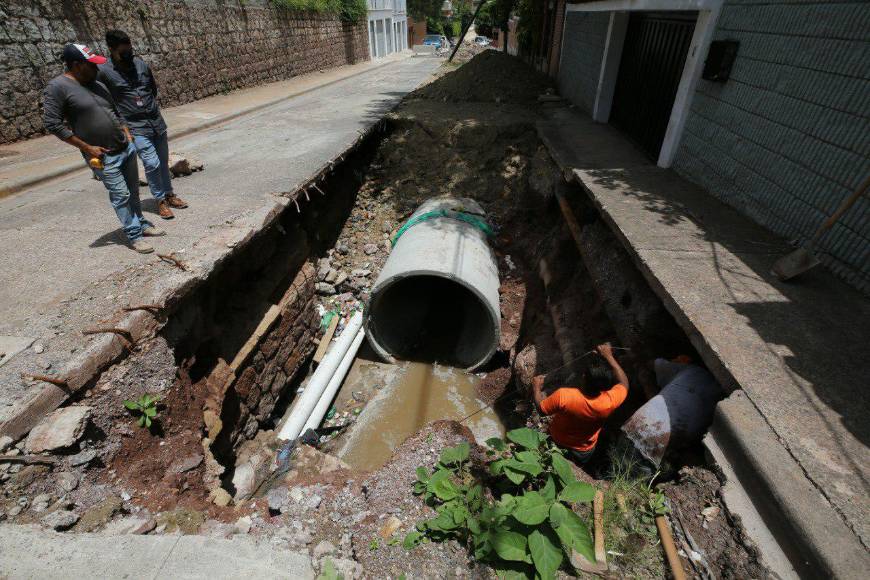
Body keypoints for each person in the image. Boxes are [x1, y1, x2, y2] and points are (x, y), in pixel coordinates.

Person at [43, 43, 163, 254]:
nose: (96, 69)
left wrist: (127, 134)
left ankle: (142, 224)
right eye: (91, 65)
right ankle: (134, 235)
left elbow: (115, 110)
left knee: (133, 192)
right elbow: (53, 123)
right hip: (102, 155)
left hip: (125, 148)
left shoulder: (96, 83)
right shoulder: (58, 87)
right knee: (121, 195)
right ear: (77, 65)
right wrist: (87, 148)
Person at [98, 29, 188, 220]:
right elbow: (105, 101)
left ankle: (170, 195)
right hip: (135, 126)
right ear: (111, 50)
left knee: (163, 162)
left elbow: (152, 90)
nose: (128, 55)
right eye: (123, 52)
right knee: (151, 163)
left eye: (129, 50)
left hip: (156, 122)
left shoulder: (140, 64)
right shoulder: (105, 72)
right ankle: (159, 200)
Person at [532, 343, 629, 464]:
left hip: (557, 442)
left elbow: (541, 410)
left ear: (583, 377)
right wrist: (609, 357)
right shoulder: (610, 401)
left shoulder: (565, 396)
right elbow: (624, 383)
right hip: (583, 451)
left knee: (548, 464)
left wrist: (536, 388)